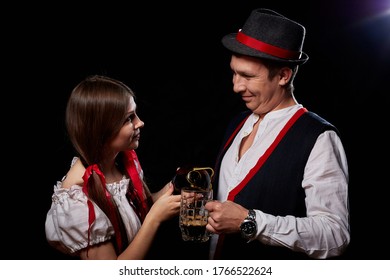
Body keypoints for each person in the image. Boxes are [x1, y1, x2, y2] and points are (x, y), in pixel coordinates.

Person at [205, 8, 350, 259]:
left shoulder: (318, 137)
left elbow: (334, 235)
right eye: (234, 72)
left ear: (283, 75)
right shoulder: (238, 123)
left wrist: (249, 221)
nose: (236, 86)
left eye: (248, 76)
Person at [45, 75, 181, 260]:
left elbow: (130, 213)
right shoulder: (76, 198)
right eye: (129, 119)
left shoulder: (120, 164)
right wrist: (155, 218)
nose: (140, 123)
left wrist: (172, 192)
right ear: (101, 129)